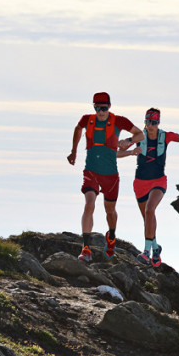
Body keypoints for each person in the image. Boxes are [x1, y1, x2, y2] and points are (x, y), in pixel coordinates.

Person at [67, 92, 143, 263]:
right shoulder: (87, 120)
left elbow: (140, 134)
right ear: (94, 107)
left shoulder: (119, 121)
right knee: (89, 204)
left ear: (109, 106)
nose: (101, 112)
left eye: (104, 108)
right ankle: (86, 248)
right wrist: (74, 151)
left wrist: (128, 141)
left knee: (110, 211)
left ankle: (112, 236)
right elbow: (78, 129)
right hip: (91, 171)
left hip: (110, 175)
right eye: (97, 108)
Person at [118, 107, 179, 267]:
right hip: (140, 182)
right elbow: (118, 151)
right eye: (147, 122)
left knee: (150, 209)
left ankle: (146, 253)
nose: (150, 125)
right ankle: (156, 248)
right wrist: (126, 147)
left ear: (158, 123)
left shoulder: (166, 136)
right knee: (147, 218)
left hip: (158, 181)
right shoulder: (139, 136)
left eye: (153, 122)